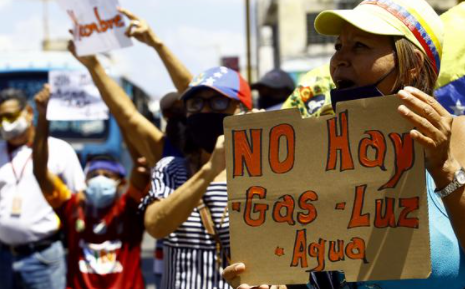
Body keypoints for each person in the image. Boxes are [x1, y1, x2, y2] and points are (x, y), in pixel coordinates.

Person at [223, 0, 465, 288]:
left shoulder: (458, 138)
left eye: (360, 46)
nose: (339, 60)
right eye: (338, 47)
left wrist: (445, 169)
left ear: (411, 65)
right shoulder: (318, 149)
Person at [140, 66, 253, 289]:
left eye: (219, 102)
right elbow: (155, 226)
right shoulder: (171, 169)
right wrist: (209, 171)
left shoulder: (260, 177)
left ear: (241, 110)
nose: (205, 111)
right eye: (196, 104)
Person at [32, 85, 151, 289]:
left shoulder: (129, 209)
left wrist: (121, 116)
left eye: (107, 176)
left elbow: (141, 166)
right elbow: (41, 173)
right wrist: (43, 118)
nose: (100, 180)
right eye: (94, 175)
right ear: (85, 182)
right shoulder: (73, 208)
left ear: (121, 183)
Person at [0, 88, 86, 289]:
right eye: (0, 117)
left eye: (10, 116)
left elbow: (78, 197)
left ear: (29, 112)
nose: (5, 123)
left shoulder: (59, 150)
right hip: (4, 257)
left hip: (43, 257)